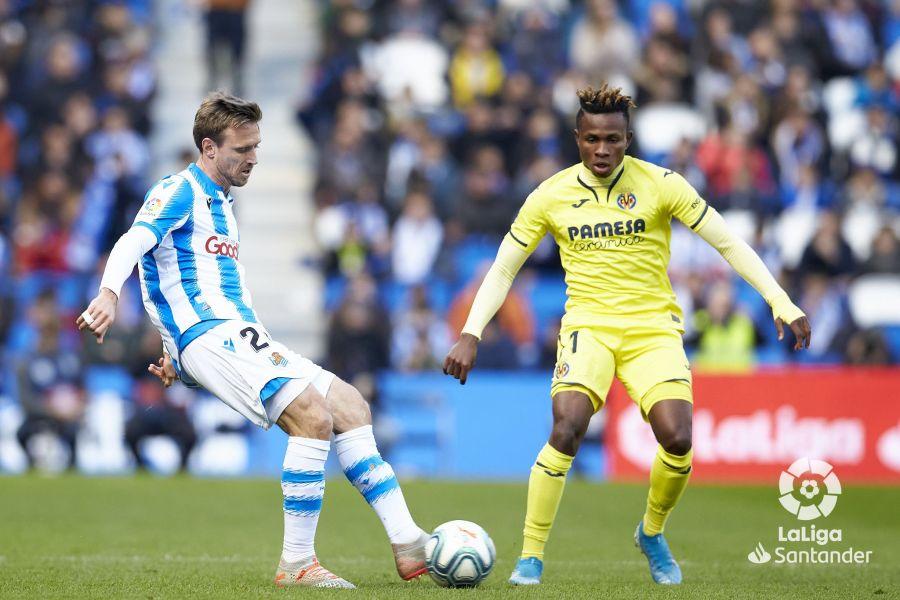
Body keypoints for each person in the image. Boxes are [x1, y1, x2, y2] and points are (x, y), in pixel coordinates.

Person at [442, 84, 812, 586]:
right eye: (592, 139)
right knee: (566, 426)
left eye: (613, 140)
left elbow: (727, 241)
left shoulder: (662, 184)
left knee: (678, 439)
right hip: (588, 328)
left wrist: (781, 301)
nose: (602, 150)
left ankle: (651, 531)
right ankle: (530, 556)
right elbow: (505, 268)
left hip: (652, 330)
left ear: (628, 139)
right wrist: (471, 333)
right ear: (577, 137)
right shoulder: (550, 195)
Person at [76, 92, 429, 589]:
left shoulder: (222, 203)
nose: (254, 158)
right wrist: (111, 294)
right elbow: (134, 241)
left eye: (257, 146)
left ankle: (407, 540)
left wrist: (172, 348)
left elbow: (177, 277)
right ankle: (298, 562)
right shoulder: (178, 190)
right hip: (211, 332)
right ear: (209, 147)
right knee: (311, 416)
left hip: (228, 332)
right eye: (243, 148)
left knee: (350, 406)